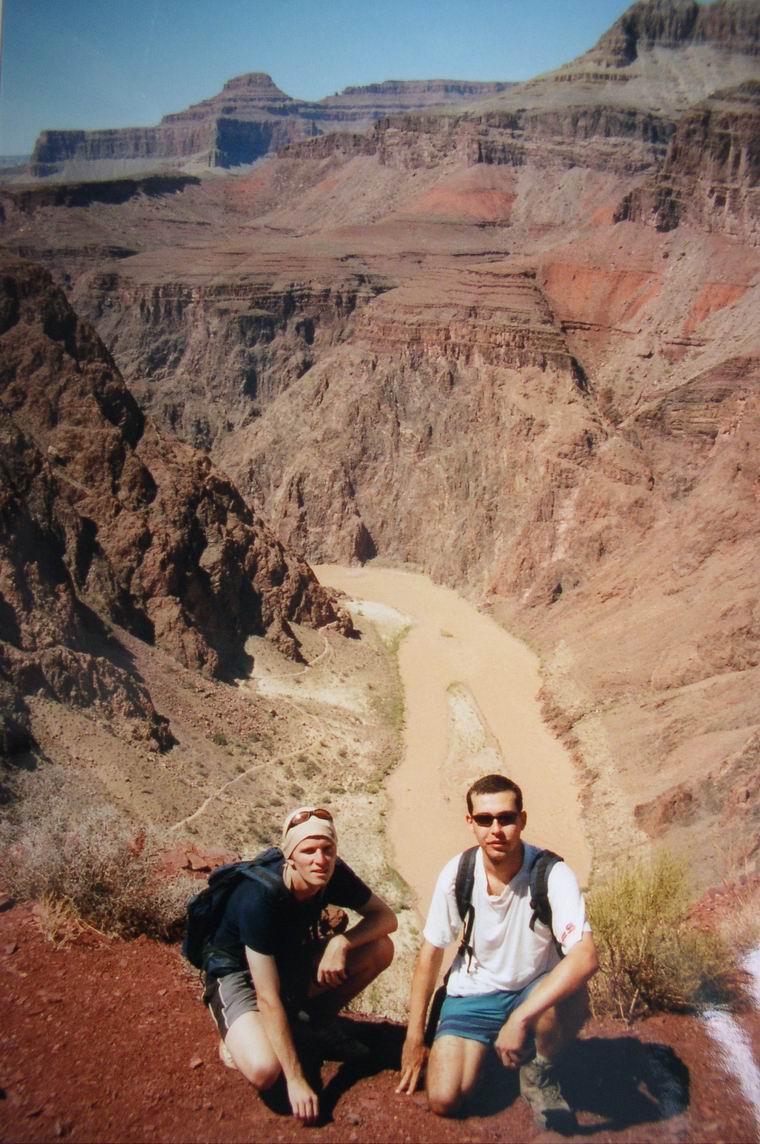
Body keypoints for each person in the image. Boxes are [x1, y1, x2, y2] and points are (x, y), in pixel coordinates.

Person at [396, 774, 598, 1132]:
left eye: (506, 818)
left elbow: (585, 957)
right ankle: (488, 1053)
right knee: (444, 1098)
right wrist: (414, 1037)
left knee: (572, 993)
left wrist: (519, 1019)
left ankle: (538, 1073)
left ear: (522, 820)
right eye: (485, 819)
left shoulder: (550, 874)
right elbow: (431, 953)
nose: (496, 830)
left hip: (532, 990)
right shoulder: (458, 874)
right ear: (470, 823)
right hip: (474, 992)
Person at [202, 805, 397, 1123]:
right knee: (265, 1070)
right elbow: (267, 996)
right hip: (237, 973)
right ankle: (234, 1032)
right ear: (290, 857)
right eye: (308, 851)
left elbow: (386, 918)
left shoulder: (332, 873)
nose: (320, 860)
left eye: (327, 849)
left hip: (286, 960)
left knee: (379, 949)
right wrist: (295, 1079)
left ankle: (317, 1026)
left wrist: (341, 943)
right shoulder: (259, 899)